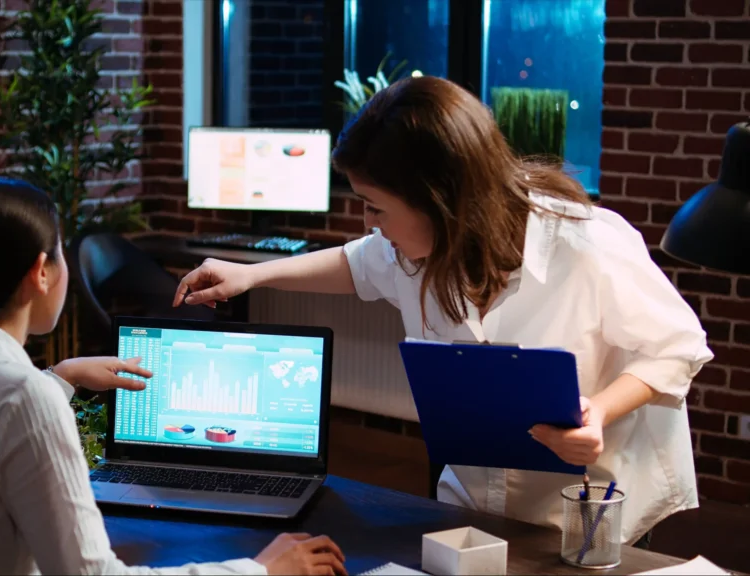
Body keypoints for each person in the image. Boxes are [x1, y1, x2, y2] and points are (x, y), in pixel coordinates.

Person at [173, 76, 713, 547]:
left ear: (441, 200)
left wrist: (600, 410)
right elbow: (355, 264)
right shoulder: (415, 250)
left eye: (376, 207)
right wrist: (252, 274)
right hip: (472, 503)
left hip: (589, 507)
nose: (369, 223)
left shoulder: (586, 244)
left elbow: (676, 347)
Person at [0, 176, 346, 575]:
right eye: (63, 253)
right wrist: (259, 571)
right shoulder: (23, 400)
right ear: (41, 272)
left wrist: (61, 376)